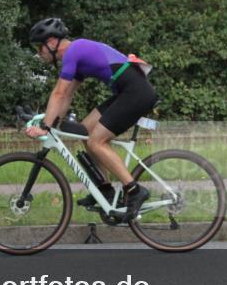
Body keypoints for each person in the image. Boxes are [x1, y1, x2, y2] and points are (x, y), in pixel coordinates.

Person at [23, 17, 156, 222]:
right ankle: (106, 191)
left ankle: (134, 190)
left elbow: (58, 93)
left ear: (51, 43)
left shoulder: (73, 51)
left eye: (39, 47)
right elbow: (66, 96)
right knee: (85, 131)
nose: (38, 53)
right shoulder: (75, 55)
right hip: (127, 91)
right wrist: (53, 121)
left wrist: (45, 126)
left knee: (96, 141)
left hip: (136, 92)